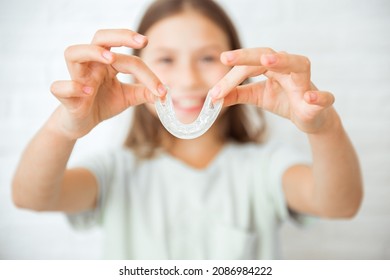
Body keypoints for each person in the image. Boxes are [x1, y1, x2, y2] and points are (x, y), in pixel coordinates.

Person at [12, 0, 363, 259]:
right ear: (135, 72)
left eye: (208, 58)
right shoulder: (115, 171)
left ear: (239, 68)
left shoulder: (264, 168)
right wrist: (65, 126)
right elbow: (31, 197)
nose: (189, 79)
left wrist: (324, 127)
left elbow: (340, 205)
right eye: (165, 59)